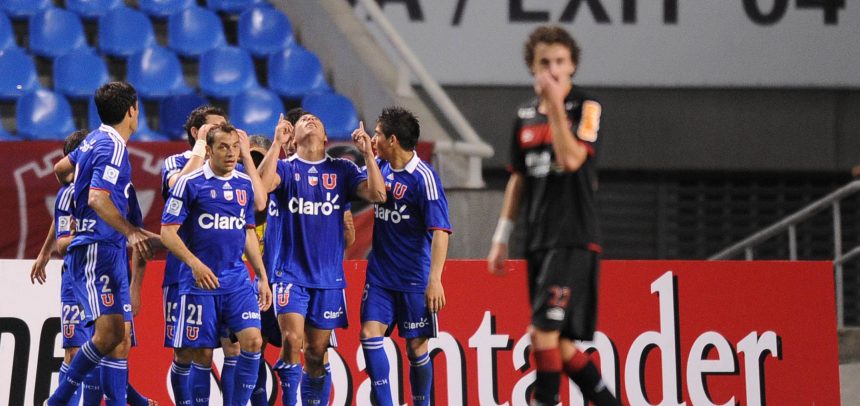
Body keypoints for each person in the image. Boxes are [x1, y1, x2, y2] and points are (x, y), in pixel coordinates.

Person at [486, 26, 619, 406]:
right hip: (538, 239)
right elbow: (518, 180)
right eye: (545, 63)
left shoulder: (588, 108)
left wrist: (558, 106)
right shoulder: (524, 115)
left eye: (560, 62)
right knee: (557, 343)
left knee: (541, 335)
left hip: (574, 235)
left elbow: (571, 159)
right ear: (532, 68)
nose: (553, 70)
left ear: (573, 65)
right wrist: (501, 237)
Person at [258, 112, 385, 405]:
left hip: (327, 279)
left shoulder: (342, 169)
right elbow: (261, 190)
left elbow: (378, 194)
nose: (310, 120)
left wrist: (368, 155)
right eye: (303, 120)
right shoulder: (286, 168)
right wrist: (277, 143)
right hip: (289, 274)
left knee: (316, 353)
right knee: (292, 341)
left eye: (316, 119)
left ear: (326, 138)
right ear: (294, 135)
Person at [160, 123, 272, 406]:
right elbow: (167, 232)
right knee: (202, 355)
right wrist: (194, 264)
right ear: (208, 150)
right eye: (223, 147)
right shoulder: (189, 183)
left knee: (253, 342)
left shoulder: (245, 184)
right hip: (199, 283)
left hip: (236, 280)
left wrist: (261, 276)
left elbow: (247, 231)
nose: (231, 153)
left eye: (235, 146)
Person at [358, 107, 451, 405]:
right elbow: (363, 188)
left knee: (416, 347)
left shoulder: (424, 178)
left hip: (414, 279)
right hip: (381, 276)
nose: (373, 139)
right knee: (370, 335)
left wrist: (434, 280)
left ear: (393, 140)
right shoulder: (380, 167)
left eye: (377, 134)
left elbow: (440, 231)